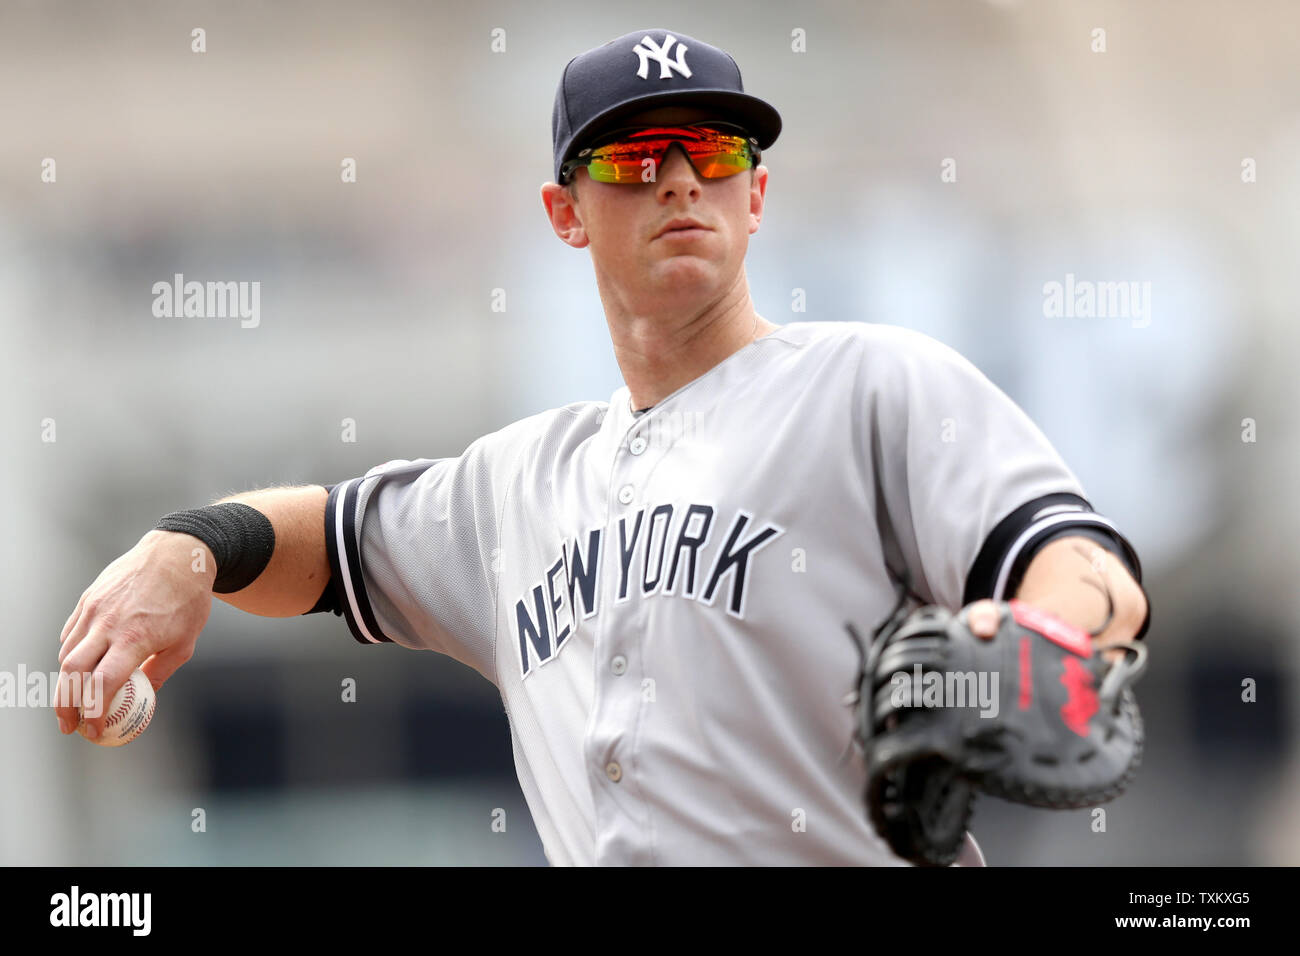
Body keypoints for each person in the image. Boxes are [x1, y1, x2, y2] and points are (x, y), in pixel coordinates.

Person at [57, 28, 1149, 866]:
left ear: (755, 194)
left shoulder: (871, 383)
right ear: (565, 211)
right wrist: (182, 549)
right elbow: (333, 545)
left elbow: (1076, 554)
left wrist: (1042, 629)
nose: (680, 178)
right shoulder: (513, 486)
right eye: (634, 154)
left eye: (715, 151)